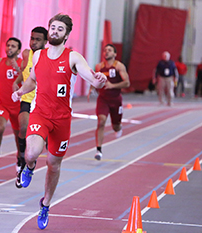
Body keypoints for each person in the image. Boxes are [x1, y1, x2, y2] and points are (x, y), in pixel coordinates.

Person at [11, 13, 106, 230]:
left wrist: (101, 81)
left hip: (62, 120)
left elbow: (93, 79)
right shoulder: (38, 56)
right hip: (40, 114)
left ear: (67, 35)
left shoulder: (73, 57)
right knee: (32, 152)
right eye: (52, 27)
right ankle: (29, 167)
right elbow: (32, 80)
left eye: (60, 29)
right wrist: (20, 91)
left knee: (54, 165)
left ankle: (45, 204)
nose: (54, 31)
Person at [12, 27, 48, 188]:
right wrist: (16, 81)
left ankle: (30, 162)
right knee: (23, 127)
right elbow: (25, 72)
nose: (33, 42)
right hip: (27, 99)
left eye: (38, 39)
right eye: (32, 38)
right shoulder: (27, 54)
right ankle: (21, 159)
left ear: (46, 42)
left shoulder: (49, 56)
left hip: (43, 102)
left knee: (43, 142)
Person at [87, 44, 130, 160]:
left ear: (115, 54)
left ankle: (118, 128)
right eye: (105, 50)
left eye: (109, 50)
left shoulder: (119, 66)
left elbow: (127, 83)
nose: (106, 52)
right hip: (103, 99)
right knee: (101, 121)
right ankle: (98, 150)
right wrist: (91, 89)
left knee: (115, 126)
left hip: (116, 100)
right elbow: (94, 80)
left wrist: (113, 85)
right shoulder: (99, 67)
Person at [0, 37, 23, 172]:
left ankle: (20, 156)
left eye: (13, 46)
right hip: (2, 103)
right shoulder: (1, 61)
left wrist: (18, 69)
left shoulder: (21, 63)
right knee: (0, 128)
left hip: (17, 104)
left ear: (18, 50)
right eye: (8, 45)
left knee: (18, 134)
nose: (10, 48)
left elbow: (27, 77)